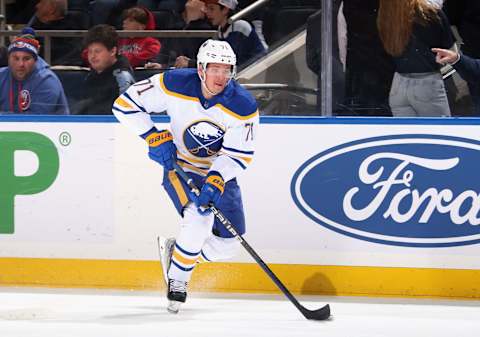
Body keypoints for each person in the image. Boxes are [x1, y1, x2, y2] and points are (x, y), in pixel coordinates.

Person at [112, 39, 259, 313]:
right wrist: (153, 136)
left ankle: (178, 255)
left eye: (226, 70)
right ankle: (178, 280)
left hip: (220, 174)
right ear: (201, 69)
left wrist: (217, 177)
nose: (221, 76)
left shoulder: (243, 105)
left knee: (228, 247)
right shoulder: (174, 83)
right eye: (214, 69)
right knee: (198, 216)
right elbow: (124, 104)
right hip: (180, 166)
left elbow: (238, 155)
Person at [377, 0, 455, 117]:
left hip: (397, 86)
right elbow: (452, 53)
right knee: (438, 133)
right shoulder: (431, 13)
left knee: (406, 135)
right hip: (427, 84)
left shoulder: (385, 15)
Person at [175, 0, 266, 69]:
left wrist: (191, 63)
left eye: (212, 9)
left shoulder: (240, 26)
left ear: (225, 10)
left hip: (256, 69)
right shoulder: (220, 30)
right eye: (207, 8)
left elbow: (227, 62)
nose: (208, 13)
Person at [0, 28, 70, 114]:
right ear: (8, 58)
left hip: (48, 127)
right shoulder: (1, 75)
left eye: (26, 59)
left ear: (35, 60)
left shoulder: (47, 81)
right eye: (15, 58)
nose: (20, 64)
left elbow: (34, 121)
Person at [75, 24, 135, 115]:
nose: (92, 56)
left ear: (112, 51)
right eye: (90, 51)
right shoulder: (92, 75)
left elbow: (128, 112)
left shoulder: (123, 78)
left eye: (97, 51)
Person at [29, 0, 86, 65]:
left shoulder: (69, 32)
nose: (37, 6)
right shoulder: (34, 27)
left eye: (42, 3)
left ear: (52, 9)